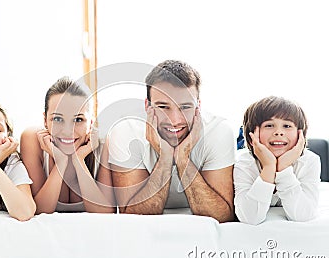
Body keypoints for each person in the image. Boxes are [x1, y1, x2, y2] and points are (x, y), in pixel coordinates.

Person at [108, 60, 235, 222]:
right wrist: (165, 159)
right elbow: (132, 217)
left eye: (185, 107)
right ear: (147, 106)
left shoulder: (218, 131)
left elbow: (222, 216)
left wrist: (183, 159)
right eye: (163, 107)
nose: (175, 120)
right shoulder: (126, 130)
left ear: (198, 107)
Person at [20, 77, 115, 214]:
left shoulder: (103, 143)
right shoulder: (32, 139)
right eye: (58, 119)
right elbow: (38, 211)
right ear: (45, 120)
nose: (67, 131)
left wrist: (79, 160)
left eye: (78, 119)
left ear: (91, 122)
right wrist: (61, 162)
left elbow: (105, 213)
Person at [234, 96, 320, 225]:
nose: (278, 132)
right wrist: (269, 167)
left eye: (287, 125)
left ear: (300, 135)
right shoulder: (244, 162)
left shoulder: (309, 161)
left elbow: (303, 216)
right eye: (269, 125)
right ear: (252, 137)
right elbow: (250, 218)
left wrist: (283, 168)